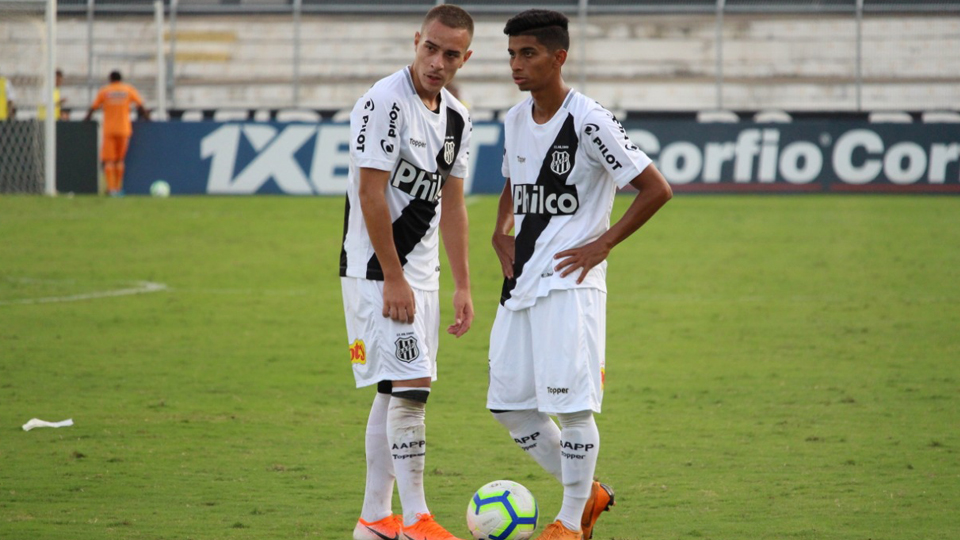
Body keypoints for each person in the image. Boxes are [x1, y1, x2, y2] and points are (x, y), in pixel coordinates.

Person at [488, 9, 673, 540]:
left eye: (528, 53)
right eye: (511, 54)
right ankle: (588, 492)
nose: (516, 64)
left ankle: (569, 522)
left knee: (571, 409)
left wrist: (602, 243)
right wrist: (501, 228)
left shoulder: (590, 120)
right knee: (509, 406)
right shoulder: (514, 119)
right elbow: (514, 182)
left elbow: (656, 188)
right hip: (521, 283)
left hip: (570, 284)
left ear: (558, 57)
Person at [339, 5, 475, 540]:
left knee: (393, 389)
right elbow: (370, 193)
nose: (437, 62)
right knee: (413, 386)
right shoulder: (384, 102)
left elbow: (454, 206)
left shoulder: (458, 118)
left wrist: (462, 284)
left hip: (424, 276)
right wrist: (393, 277)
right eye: (430, 48)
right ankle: (417, 518)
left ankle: (375, 519)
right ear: (416, 41)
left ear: (466, 58)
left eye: (450, 54)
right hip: (378, 270)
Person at [84, 71, 149, 196]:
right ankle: (118, 188)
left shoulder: (105, 91)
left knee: (109, 161)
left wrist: (86, 119)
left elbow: (93, 107)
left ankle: (111, 188)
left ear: (110, 79)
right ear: (121, 79)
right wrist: (147, 118)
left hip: (109, 130)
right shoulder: (128, 90)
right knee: (120, 160)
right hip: (124, 129)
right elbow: (140, 105)